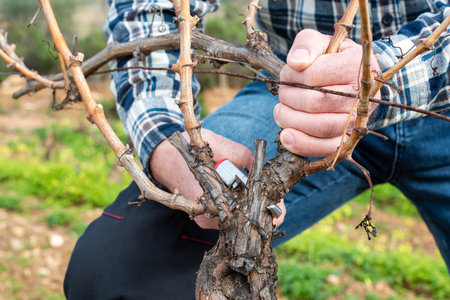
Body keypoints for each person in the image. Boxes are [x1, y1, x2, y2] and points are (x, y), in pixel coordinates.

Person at [64, 0, 450, 299]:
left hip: (440, 101)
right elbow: (148, 11)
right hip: (291, 103)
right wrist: (168, 138)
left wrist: (377, 75)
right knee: (119, 266)